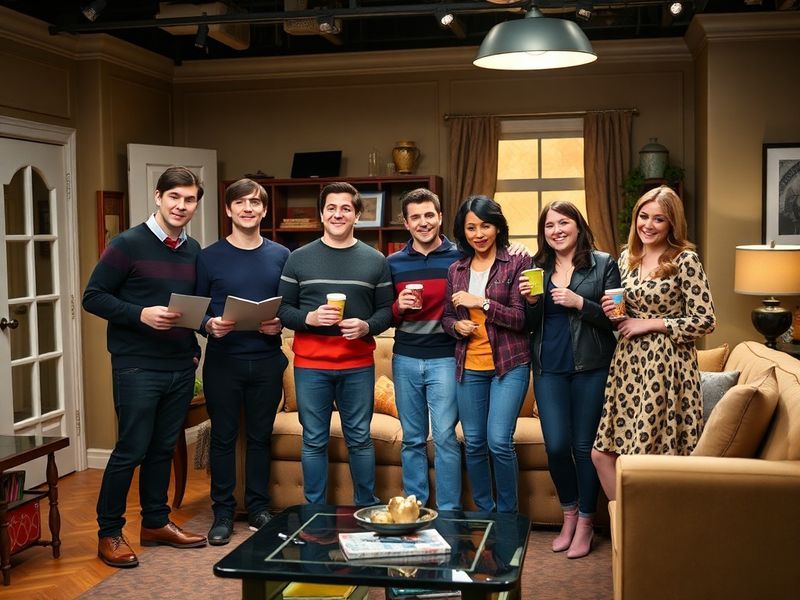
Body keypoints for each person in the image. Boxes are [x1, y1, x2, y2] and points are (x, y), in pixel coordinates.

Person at [82, 166, 207, 568]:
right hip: (137, 366)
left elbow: (191, 308)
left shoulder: (193, 250)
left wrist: (195, 348)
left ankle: (155, 523)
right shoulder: (127, 244)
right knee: (131, 449)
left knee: (162, 448)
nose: (181, 206)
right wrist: (140, 314)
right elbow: (93, 297)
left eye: (189, 200)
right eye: (175, 197)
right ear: (158, 197)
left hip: (179, 365)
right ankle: (109, 532)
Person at [592, 185, 716, 502]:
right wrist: (613, 313)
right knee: (603, 453)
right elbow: (623, 316)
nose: (648, 225)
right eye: (643, 217)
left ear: (672, 224)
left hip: (668, 366)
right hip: (628, 364)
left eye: (659, 219)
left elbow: (706, 320)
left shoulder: (685, 260)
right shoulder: (627, 258)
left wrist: (653, 323)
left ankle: (645, 534)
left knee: (643, 457)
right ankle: (627, 522)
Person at [277, 182, 393, 507]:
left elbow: (387, 311)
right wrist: (310, 319)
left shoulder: (375, 260)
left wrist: (367, 325)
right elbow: (283, 310)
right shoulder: (298, 259)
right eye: (331, 208)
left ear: (357, 214)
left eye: (346, 208)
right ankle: (315, 512)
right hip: (311, 365)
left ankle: (366, 508)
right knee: (313, 440)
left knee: (359, 439)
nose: (338, 214)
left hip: (357, 365)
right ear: (321, 213)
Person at [518, 201, 620, 559]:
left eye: (564, 223)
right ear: (542, 232)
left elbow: (616, 319)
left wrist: (580, 303)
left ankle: (587, 524)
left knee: (583, 449)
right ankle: (569, 514)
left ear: (578, 226)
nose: (557, 230)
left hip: (592, 366)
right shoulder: (535, 267)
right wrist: (530, 303)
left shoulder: (604, 263)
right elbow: (529, 325)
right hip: (548, 367)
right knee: (557, 446)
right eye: (549, 225)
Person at [195, 179, 290, 545]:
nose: (248, 208)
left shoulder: (282, 255)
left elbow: (291, 305)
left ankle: (258, 508)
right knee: (222, 438)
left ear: (264, 210)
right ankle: (222, 512)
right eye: (241, 202)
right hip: (223, 362)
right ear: (229, 210)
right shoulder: (209, 256)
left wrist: (281, 323)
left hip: (267, 361)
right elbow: (197, 308)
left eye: (255, 203)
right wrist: (208, 325)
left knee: (260, 438)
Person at [442, 195, 530, 514]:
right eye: (471, 227)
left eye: (485, 225)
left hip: (509, 365)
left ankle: (507, 515)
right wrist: (457, 328)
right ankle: (484, 512)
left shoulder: (517, 261)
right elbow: (446, 317)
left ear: (497, 227)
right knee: (475, 443)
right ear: (462, 232)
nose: (478, 234)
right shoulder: (456, 269)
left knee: (498, 442)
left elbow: (521, 319)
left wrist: (482, 303)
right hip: (470, 365)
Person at [387, 188, 463, 510]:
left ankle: (448, 512)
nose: (423, 222)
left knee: (445, 437)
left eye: (429, 215)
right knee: (412, 439)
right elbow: (382, 313)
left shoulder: (460, 257)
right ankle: (413, 509)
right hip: (405, 356)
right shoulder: (392, 263)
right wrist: (397, 307)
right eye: (415, 217)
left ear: (440, 217)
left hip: (446, 357)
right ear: (406, 223)